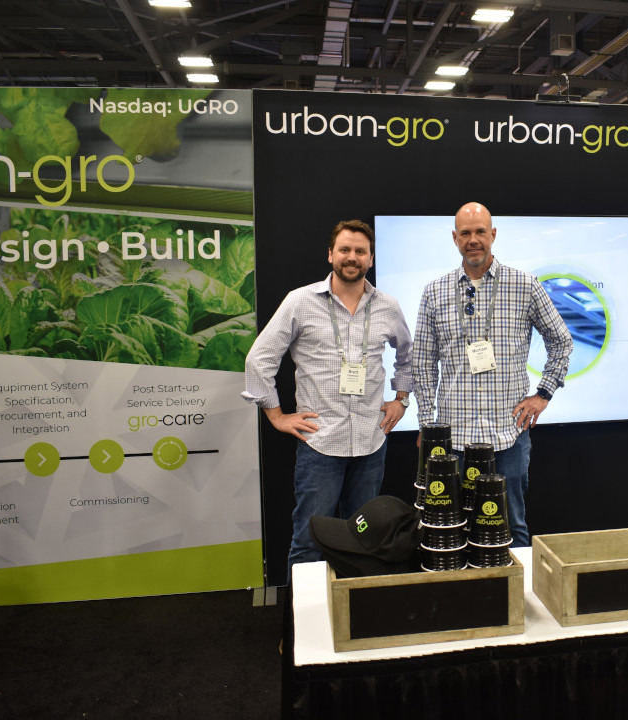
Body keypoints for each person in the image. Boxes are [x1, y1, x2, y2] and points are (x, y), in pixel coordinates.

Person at [243, 219, 413, 571]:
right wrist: (275, 415)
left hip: (370, 442)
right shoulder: (300, 302)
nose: (352, 257)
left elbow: (407, 354)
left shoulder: (388, 306)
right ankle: (302, 609)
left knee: (365, 542)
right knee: (309, 542)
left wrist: (401, 399)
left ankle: (352, 605)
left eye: (360, 251)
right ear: (331, 254)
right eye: (345, 249)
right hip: (320, 444)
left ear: (370, 259)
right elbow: (259, 359)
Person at [413, 202, 572, 547]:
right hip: (453, 442)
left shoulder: (524, 284)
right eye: (465, 233)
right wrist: (427, 426)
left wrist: (543, 394)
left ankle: (518, 585)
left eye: (480, 232)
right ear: (455, 238)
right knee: (452, 531)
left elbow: (561, 341)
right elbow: (422, 362)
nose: (473, 240)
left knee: (512, 527)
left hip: (507, 435)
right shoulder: (434, 291)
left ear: (493, 234)